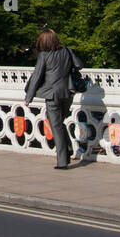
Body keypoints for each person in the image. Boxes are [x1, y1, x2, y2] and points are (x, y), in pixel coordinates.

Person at [24, 29, 82, 170]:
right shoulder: (67, 51)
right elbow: (79, 65)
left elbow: (37, 77)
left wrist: (28, 98)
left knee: (55, 126)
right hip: (67, 93)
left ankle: (62, 161)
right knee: (59, 122)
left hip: (52, 95)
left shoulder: (44, 56)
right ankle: (67, 148)